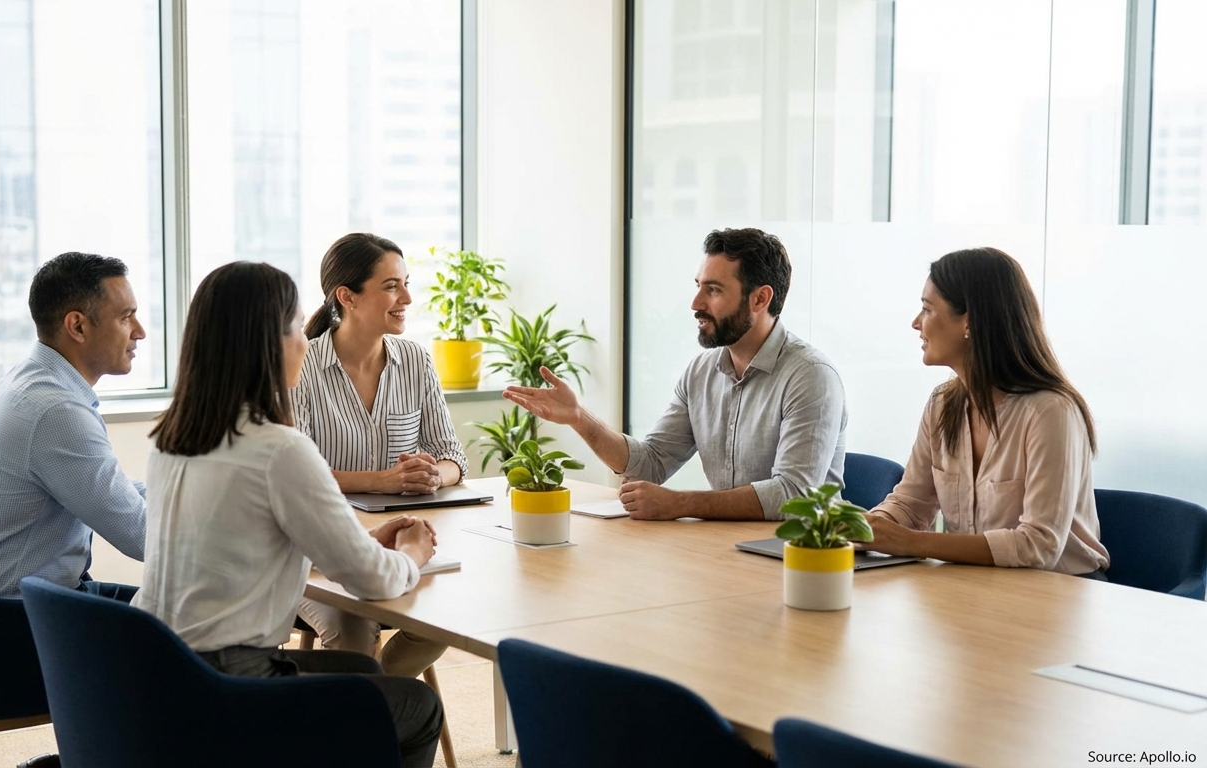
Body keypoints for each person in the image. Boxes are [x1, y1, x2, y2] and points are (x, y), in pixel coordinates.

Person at [134, 261, 443, 768]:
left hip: (164, 670)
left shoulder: (173, 440)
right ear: (267, 344)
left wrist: (365, 539)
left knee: (360, 672)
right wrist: (411, 553)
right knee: (418, 706)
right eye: (298, 328)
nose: (306, 340)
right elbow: (370, 580)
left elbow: (253, 541)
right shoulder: (279, 449)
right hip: (232, 685)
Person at [505, 227, 847, 521]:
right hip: (727, 546)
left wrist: (681, 503)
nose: (696, 303)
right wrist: (579, 418)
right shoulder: (701, 372)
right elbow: (651, 464)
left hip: (802, 555)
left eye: (713, 290)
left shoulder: (811, 377)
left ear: (760, 299)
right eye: (699, 286)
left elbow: (793, 495)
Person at [858, 248, 1109, 577]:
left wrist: (909, 542)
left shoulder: (1051, 412)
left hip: (1058, 591)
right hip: (976, 583)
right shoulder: (942, 404)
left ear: (969, 321)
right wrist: (862, 528)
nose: (916, 323)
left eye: (927, 308)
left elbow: (1039, 546)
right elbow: (911, 503)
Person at [294, 232, 464, 678]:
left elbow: (452, 456)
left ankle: (381, 697)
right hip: (317, 549)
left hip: (399, 538)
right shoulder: (300, 365)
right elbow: (298, 476)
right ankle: (376, 711)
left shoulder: (416, 360)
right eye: (391, 286)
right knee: (354, 630)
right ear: (346, 296)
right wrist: (383, 480)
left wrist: (433, 476)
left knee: (450, 611)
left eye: (405, 283)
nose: (406, 296)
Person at [0, 252, 147, 601]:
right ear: (78, 326)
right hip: (13, 622)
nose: (139, 332)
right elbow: (142, 537)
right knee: (192, 627)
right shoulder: (56, 410)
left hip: (14, 603)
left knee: (179, 616)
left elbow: (113, 488)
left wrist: (186, 498)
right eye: (126, 318)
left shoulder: (36, 382)